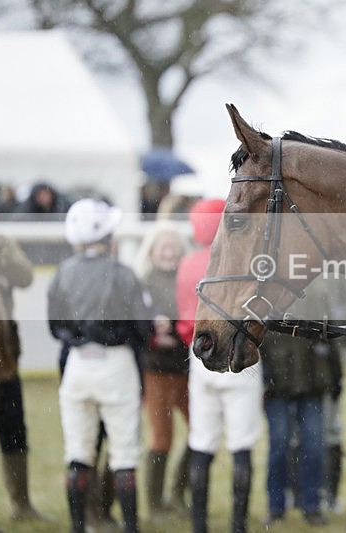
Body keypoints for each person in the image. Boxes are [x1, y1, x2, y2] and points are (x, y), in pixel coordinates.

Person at [47, 198, 154, 533]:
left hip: (79, 364)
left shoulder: (63, 271)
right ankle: (130, 527)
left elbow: (55, 327)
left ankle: (79, 527)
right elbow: (143, 329)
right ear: (108, 235)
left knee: (78, 453)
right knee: (124, 456)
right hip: (117, 364)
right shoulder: (123, 273)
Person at [176, 198, 261, 533]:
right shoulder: (238, 262)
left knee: (202, 443)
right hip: (239, 358)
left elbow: (186, 317)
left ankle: (200, 524)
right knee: (241, 445)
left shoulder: (186, 264)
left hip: (198, 358)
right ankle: (237, 525)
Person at [133, 220, 191, 518]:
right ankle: (155, 504)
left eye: (174, 247)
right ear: (152, 251)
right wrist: (155, 332)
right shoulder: (142, 281)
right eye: (163, 247)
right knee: (161, 436)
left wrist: (179, 331)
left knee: (200, 432)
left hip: (188, 368)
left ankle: (179, 493)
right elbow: (139, 324)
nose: (169, 253)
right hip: (156, 370)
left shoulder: (190, 278)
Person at [261, 332, 339, 527]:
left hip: (313, 382)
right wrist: (264, 376)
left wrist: (336, 376)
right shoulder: (267, 305)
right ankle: (275, 507)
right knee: (279, 445)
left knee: (314, 447)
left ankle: (312, 506)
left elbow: (330, 331)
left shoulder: (315, 302)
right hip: (276, 384)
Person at [0, 230, 47, 522]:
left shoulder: (3, 244)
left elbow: (25, 277)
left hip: (5, 359)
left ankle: (21, 504)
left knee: (14, 431)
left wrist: (0, 251)